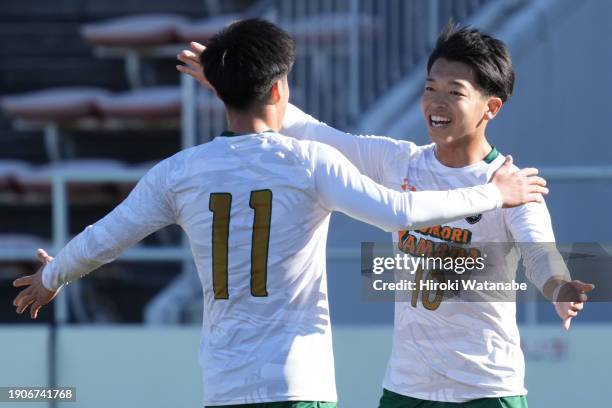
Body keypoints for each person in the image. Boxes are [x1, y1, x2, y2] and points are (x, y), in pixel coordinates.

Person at [14, 20, 545, 408]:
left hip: (224, 385)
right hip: (305, 385)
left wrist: (53, 274)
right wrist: (494, 195)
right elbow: (400, 212)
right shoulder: (312, 163)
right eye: (431, 87)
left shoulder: (178, 171)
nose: (435, 100)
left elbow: (108, 235)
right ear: (279, 88)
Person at [175, 21, 593, 408]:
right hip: (406, 388)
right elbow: (315, 132)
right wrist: (233, 85)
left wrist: (559, 288)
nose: (436, 101)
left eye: (455, 91)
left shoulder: (511, 184)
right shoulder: (401, 162)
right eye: (431, 88)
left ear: (492, 107)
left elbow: (540, 254)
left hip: (486, 389)